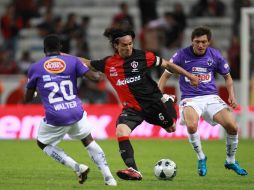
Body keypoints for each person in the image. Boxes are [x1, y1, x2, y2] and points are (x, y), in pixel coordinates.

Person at [78, 27, 199, 180]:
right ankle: (133, 170)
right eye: (124, 45)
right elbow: (87, 63)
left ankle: (167, 100)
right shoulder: (108, 63)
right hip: (132, 108)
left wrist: (190, 76)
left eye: (130, 44)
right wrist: (62, 56)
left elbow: (168, 65)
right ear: (116, 45)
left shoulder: (143, 57)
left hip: (153, 104)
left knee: (171, 128)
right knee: (121, 131)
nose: (128, 47)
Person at [24, 34, 117, 186]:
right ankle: (109, 178)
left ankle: (77, 167)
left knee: (42, 143)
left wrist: (35, 91)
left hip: (55, 116)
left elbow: (27, 99)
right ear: (61, 47)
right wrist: (98, 71)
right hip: (76, 111)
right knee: (88, 140)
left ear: (44, 49)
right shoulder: (73, 61)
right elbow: (95, 78)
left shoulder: (35, 67)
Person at [158, 26, 248, 176]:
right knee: (192, 126)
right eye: (197, 42)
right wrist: (159, 97)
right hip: (190, 98)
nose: (200, 45)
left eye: (204, 42)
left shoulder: (215, 55)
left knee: (232, 126)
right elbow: (164, 77)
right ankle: (201, 157)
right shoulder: (181, 55)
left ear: (209, 42)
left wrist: (231, 95)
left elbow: (227, 77)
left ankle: (231, 161)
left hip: (211, 97)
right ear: (192, 41)